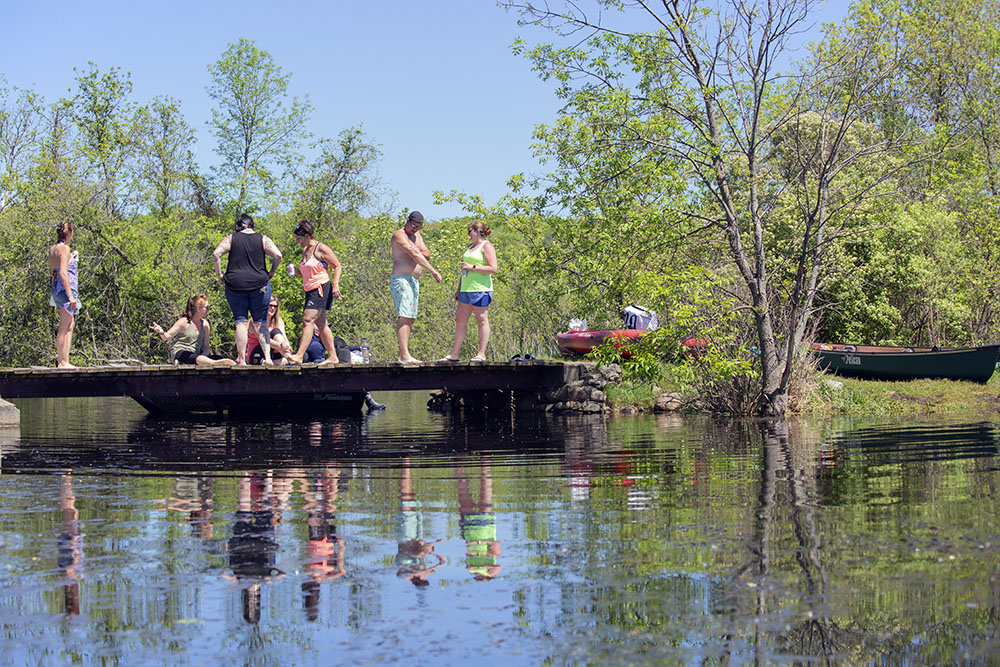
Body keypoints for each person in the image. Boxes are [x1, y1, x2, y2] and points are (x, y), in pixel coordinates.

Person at [212, 213, 282, 365]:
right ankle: (269, 358)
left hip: (235, 284)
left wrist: (219, 275)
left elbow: (216, 254)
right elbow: (278, 255)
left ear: (239, 226)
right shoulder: (263, 239)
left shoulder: (231, 238)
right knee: (261, 322)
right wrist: (271, 272)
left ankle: (242, 360)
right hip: (260, 284)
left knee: (241, 322)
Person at [439, 220, 497, 362]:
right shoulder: (470, 246)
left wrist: (473, 267)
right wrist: (459, 289)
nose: (468, 234)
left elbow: (493, 268)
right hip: (466, 289)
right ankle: (454, 354)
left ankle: (481, 354)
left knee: (481, 320)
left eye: (469, 231)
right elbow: (464, 269)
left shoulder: (486, 246)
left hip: (481, 289)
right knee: (460, 321)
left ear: (477, 231)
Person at [286, 220, 341, 366]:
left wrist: (335, 285)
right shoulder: (305, 251)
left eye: (299, 238)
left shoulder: (320, 248)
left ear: (308, 235)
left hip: (321, 287)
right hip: (310, 289)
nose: (298, 241)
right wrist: (296, 272)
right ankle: (333, 356)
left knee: (307, 319)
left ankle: (299, 355)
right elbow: (307, 273)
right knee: (321, 324)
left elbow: (337, 265)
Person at [390, 210, 442, 363]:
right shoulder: (399, 235)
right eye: (413, 225)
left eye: (419, 227)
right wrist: (432, 270)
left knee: (410, 318)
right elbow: (415, 254)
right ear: (407, 220)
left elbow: (426, 253)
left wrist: (415, 251)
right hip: (401, 279)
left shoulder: (417, 236)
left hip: (413, 281)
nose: (415, 229)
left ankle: (404, 354)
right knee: (404, 315)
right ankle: (404, 355)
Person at [303, 329, 386, 411]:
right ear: (317, 332)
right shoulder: (316, 346)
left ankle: (368, 400)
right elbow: (318, 366)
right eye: (325, 329)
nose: (329, 332)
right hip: (316, 379)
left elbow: (345, 347)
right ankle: (369, 401)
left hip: (322, 376)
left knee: (340, 345)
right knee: (351, 376)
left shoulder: (322, 343)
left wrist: (358, 348)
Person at [149, 295, 236, 366]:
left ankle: (191, 363)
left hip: (196, 355)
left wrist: (203, 357)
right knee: (194, 357)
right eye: (207, 307)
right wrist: (161, 332)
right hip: (181, 352)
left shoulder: (205, 324)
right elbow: (166, 337)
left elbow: (206, 348)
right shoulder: (184, 322)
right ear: (198, 309)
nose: (208, 310)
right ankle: (211, 363)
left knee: (218, 357)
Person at [49, 221, 81, 369]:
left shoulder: (53, 249)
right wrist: (70, 296)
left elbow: (54, 270)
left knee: (69, 324)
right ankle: (63, 362)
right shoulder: (64, 248)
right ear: (69, 234)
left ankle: (63, 360)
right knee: (66, 325)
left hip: (56, 289)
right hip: (64, 290)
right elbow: (63, 272)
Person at [247, 296, 293, 365]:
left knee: (276, 331)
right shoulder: (255, 321)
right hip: (257, 353)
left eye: (275, 306)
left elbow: (284, 337)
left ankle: (287, 357)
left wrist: (287, 346)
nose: (272, 308)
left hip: (275, 352)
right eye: (270, 305)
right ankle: (286, 359)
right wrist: (280, 345)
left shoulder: (278, 321)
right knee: (269, 335)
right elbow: (263, 340)